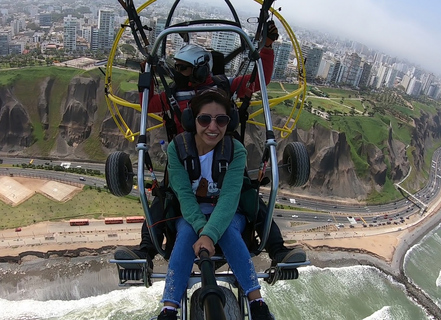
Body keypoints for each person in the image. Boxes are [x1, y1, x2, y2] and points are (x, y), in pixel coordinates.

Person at [115, 20, 305, 269]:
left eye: (182, 68)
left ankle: (278, 251)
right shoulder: (172, 95)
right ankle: (145, 252)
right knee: (162, 201)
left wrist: (266, 47)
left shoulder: (224, 86)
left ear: (200, 69)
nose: (177, 72)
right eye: (177, 67)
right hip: (185, 161)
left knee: (250, 198)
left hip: (225, 159)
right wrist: (147, 77)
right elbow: (148, 105)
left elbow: (259, 81)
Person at [155, 88, 273, 319]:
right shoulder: (177, 149)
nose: (212, 127)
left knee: (228, 229)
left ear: (228, 123)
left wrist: (210, 233)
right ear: (193, 120)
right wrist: (202, 229)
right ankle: (169, 308)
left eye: (221, 120)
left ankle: (257, 302)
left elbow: (230, 197)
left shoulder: (235, 151)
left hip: (228, 212)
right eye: (204, 119)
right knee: (187, 232)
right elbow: (184, 194)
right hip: (191, 212)